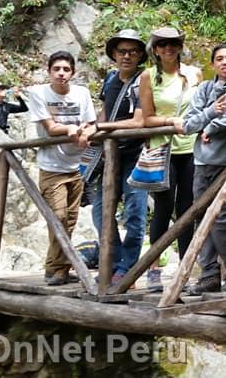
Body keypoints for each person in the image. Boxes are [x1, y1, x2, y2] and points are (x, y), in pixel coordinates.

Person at [178, 43, 226, 295]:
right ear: (212, 65)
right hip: (202, 162)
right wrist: (211, 111)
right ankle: (209, 274)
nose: (224, 62)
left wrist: (211, 126)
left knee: (219, 217)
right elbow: (188, 125)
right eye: (219, 59)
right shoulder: (205, 89)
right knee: (202, 218)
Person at [139, 27, 201, 292]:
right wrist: (170, 122)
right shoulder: (148, 76)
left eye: (173, 43)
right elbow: (146, 118)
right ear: (155, 49)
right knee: (163, 207)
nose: (168, 48)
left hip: (191, 149)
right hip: (162, 149)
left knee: (187, 208)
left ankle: (185, 269)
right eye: (163, 44)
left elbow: (202, 108)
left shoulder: (194, 74)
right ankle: (155, 269)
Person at [27, 51, 97, 285]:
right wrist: (69, 130)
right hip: (51, 167)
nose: (61, 73)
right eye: (57, 69)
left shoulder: (82, 93)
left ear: (73, 73)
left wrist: (86, 131)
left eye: (66, 69)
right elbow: (49, 127)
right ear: (49, 71)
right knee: (58, 216)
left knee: (70, 219)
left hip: (77, 165)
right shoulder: (38, 93)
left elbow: (90, 122)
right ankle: (57, 268)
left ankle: (57, 269)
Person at [87, 29, 148, 287]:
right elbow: (105, 112)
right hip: (109, 155)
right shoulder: (111, 79)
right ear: (113, 54)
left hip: (135, 154)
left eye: (132, 52)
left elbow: (139, 120)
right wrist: (90, 127)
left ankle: (128, 268)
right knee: (101, 211)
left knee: (135, 212)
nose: (127, 56)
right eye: (122, 51)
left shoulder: (142, 79)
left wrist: (101, 130)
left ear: (140, 56)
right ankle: (112, 262)